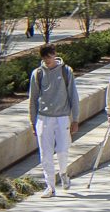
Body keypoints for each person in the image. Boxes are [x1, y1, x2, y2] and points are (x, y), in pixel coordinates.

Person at [27, 42, 78, 197]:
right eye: (45, 57)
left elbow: (73, 96)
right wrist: (32, 121)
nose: (48, 60)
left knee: (62, 150)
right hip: (43, 118)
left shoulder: (66, 72)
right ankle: (50, 186)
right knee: (46, 154)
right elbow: (33, 99)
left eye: (50, 56)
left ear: (55, 54)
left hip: (62, 117)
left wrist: (75, 119)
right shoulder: (38, 74)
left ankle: (63, 173)